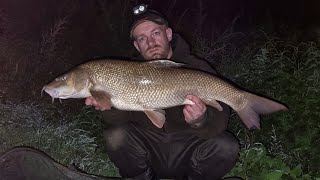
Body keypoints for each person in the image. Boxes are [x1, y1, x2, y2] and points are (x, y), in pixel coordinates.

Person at [85, 4, 240, 180]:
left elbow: (220, 122)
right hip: (150, 149)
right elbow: (120, 121)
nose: (150, 43)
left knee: (226, 146)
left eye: (155, 33)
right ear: (137, 46)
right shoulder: (128, 72)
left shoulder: (196, 68)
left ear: (168, 34)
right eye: (142, 39)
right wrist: (108, 105)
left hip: (188, 149)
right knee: (116, 135)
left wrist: (200, 121)